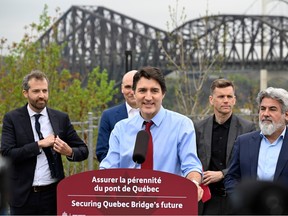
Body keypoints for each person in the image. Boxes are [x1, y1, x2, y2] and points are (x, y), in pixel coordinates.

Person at [99, 66, 204, 201]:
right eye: (142, 90)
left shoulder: (182, 125)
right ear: (134, 93)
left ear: (163, 93)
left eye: (154, 91)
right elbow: (108, 169)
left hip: (168, 204)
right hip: (129, 205)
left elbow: (191, 165)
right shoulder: (120, 129)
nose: (148, 97)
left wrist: (193, 184)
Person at [0, 70, 89, 215]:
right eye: (36, 91)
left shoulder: (60, 118)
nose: (41, 95)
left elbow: (83, 150)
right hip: (23, 196)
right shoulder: (12, 119)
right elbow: (7, 153)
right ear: (25, 93)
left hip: (53, 195)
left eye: (44, 90)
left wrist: (69, 152)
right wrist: (39, 144)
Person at [194, 78, 256, 215]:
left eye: (229, 96)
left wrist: (222, 174)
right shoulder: (198, 128)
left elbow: (249, 163)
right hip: (207, 200)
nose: (226, 100)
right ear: (211, 100)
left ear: (234, 100)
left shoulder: (248, 128)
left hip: (235, 199)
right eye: (221, 96)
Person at [224, 87, 288, 214]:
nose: (265, 114)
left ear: (286, 115)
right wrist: (243, 199)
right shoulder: (243, 142)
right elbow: (231, 177)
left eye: (272, 109)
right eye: (262, 109)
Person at [96, 70, 138, 162]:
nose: (132, 92)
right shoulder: (108, 116)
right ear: (122, 89)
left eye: (135, 87)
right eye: (128, 87)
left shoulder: (154, 115)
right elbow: (102, 152)